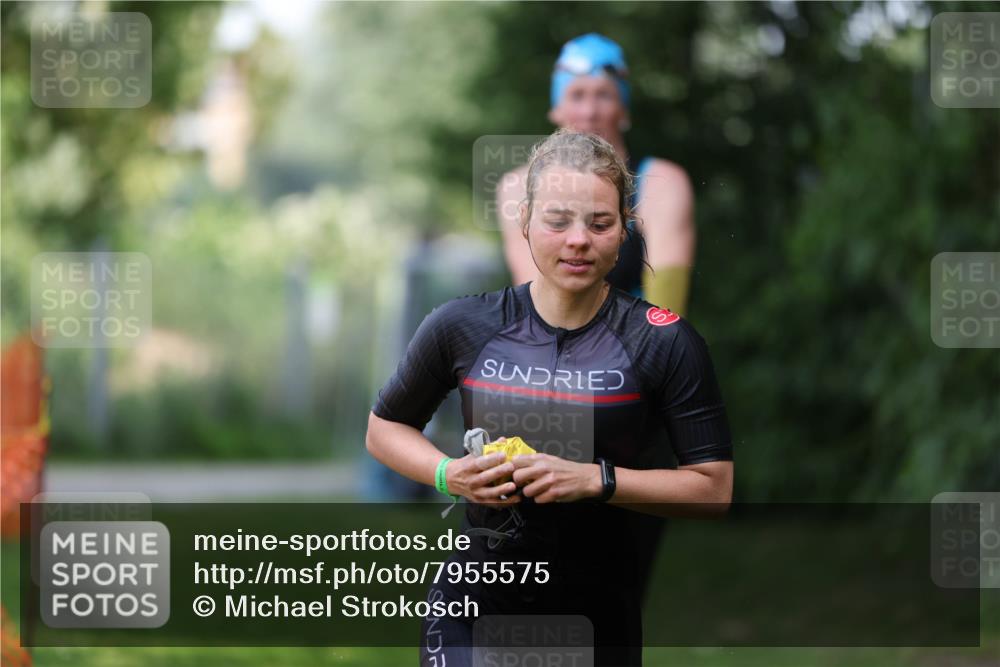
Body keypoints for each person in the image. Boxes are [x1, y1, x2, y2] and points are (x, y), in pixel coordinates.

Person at [366, 130, 733, 666]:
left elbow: (713, 490)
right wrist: (449, 474)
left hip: (595, 615)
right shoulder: (461, 325)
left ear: (626, 230)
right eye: (558, 221)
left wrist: (596, 480)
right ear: (526, 223)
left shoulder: (665, 342)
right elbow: (384, 428)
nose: (578, 239)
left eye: (600, 223)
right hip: (474, 605)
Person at [498, 33, 695, 315]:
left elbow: (666, 314)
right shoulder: (517, 186)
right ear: (557, 109)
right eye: (576, 95)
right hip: (554, 350)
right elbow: (539, 305)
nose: (589, 111)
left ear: (623, 110)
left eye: (604, 95)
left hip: (639, 349)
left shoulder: (662, 182)